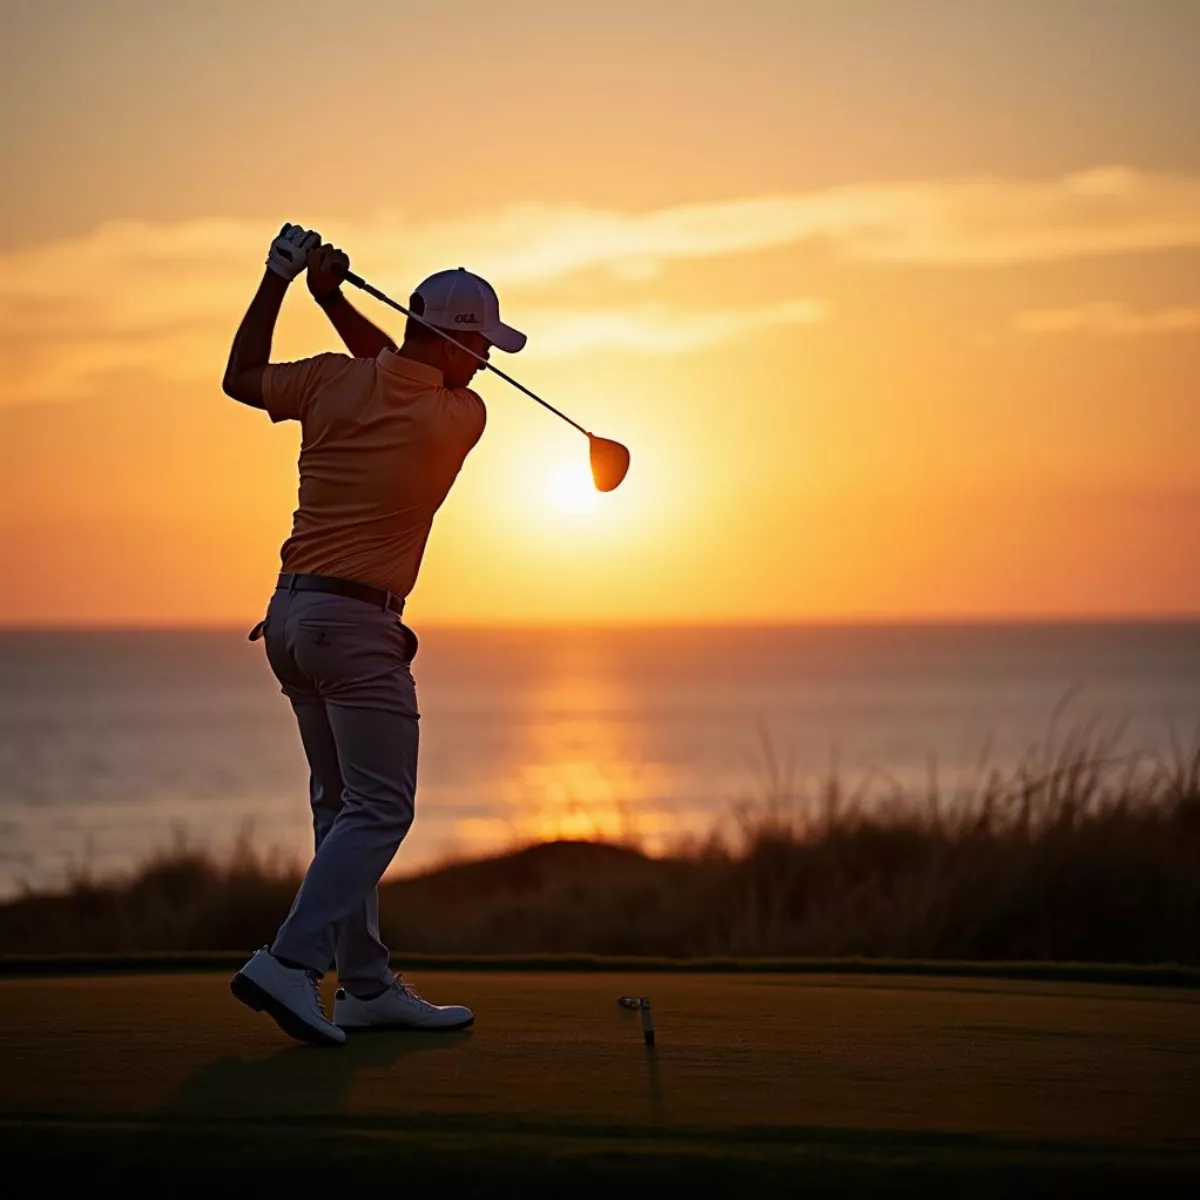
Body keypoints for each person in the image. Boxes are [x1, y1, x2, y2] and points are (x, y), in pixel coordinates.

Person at [222, 224, 526, 1045]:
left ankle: (363, 986)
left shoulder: (333, 383)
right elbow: (400, 368)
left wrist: (289, 285)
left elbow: (243, 377)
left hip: (290, 620)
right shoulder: (461, 415)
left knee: (341, 809)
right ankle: (291, 962)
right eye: (481, 344)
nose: (487, 361)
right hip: (355, 628)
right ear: (456, 340)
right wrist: (334, 300)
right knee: (383, 808)